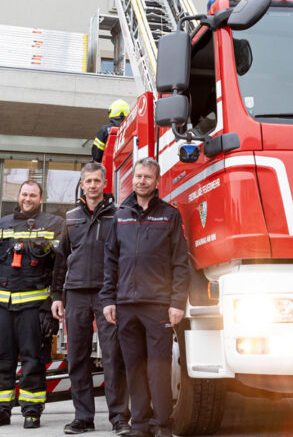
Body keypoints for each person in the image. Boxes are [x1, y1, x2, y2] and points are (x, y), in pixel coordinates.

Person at [101, 158, 190, 437]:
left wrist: (177, 303)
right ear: (134, 179)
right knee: (134, 367)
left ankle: (163, 424)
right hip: (126, 305)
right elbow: (111, 261)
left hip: (158, 306)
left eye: (147, 177)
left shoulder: (169, 215)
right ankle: (140, 424)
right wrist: (108, 300)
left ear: (156, 181)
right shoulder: (120, 215)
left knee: (158, 368)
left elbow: (180, 262)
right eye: (138, 176)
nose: (142, 181)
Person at [0, 181, 65, 429]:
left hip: (34, 308)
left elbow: (61, 266)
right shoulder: (1, 225)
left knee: (33, 359)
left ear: (41, 198)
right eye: (24, 194)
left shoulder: (54, 225)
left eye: (33, 195)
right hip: (2, 307)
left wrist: (54, 300)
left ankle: (32, 410)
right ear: (19, 196)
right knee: (0, 359)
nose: (28, 198)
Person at [51, 163, 130, 435]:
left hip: (106, 295)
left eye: (98, 180)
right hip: (75, 294)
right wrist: (56, 296)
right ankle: (83, 418)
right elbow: (61, 259)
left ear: (105, 182)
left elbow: (124, 256)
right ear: (82, 184)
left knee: (112, 357)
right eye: (89, 181)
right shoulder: (70, 217)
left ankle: (119, 418)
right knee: (77, 357)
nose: (93, 185)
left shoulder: (117, 215)